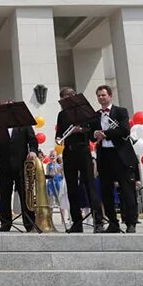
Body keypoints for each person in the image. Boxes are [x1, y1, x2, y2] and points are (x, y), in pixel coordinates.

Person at [88, 85, 140, 233]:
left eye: (103, 95)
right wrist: (95, 134)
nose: (101, 98)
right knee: (105, 190)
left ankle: (131, 222)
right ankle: (113, 222)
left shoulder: (120, 111)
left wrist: (106, 134)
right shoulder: (96, 115)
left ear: (110, 96)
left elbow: (125, 130)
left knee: (127, 190)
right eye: (98, 96)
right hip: (104, 155)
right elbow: (91, 135)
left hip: (121, 155)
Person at [55, 87, 104, 233]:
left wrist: (82, 130)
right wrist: (59, 137)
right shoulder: (62, 114)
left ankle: (98, 221)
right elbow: (59, 133)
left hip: (83, 150)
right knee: (71, 188)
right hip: (68, 152)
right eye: (64, 98)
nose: (66, 100)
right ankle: (77, 223)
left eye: (69, 96)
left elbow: (93, 133)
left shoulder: (85, 112)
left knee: (90, 185)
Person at [0, 114, 39, 232]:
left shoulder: (24, 124)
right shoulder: (0, 127)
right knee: (4, 196)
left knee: (25, 195)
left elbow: (32, 140)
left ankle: (29, 223)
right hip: (4, 167)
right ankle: (5, 223)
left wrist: (33, 151)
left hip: (21, 166)